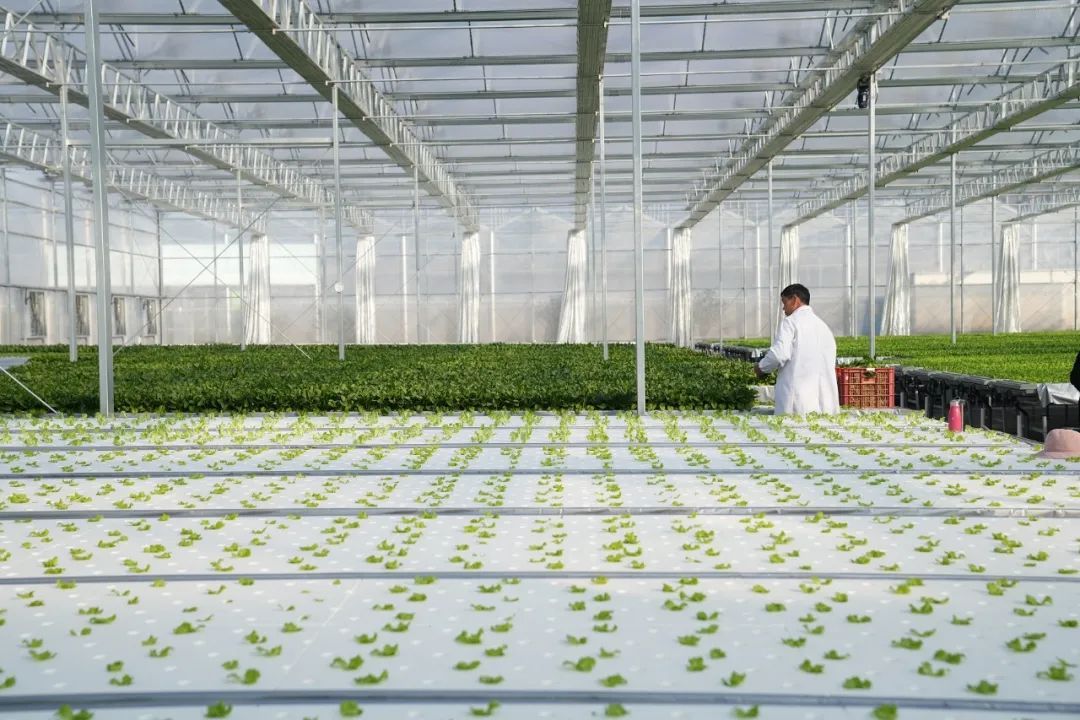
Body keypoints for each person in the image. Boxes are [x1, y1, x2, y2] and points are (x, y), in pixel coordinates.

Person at [754, 283, 840, 415]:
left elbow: (779, 354)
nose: (784, 308)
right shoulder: (824, 327)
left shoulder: (791, 322)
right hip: (825, 404)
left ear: (794, 300)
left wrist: (761, 367)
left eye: (784, 302)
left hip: (797, 404)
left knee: (793, 427)